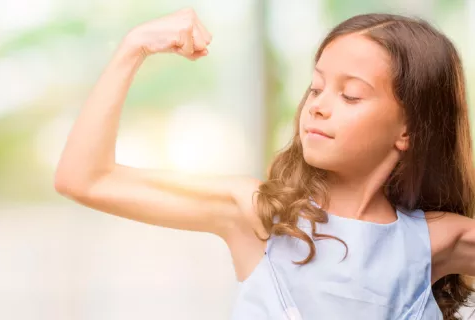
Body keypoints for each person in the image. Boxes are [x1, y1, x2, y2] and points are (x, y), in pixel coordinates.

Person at [54, 8, 475, 320]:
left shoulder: (434, 240)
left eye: (350, 95)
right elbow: (85, 178)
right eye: (316, 88)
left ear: (409, 130)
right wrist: (135, 46)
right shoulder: (262, 215)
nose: (318, 107)